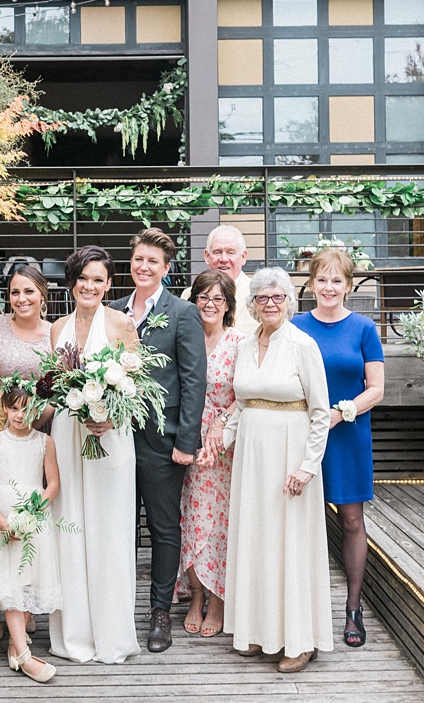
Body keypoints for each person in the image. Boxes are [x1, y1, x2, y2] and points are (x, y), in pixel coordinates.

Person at [218, 267, 334, 673]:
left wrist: (306, 467)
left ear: (289, 301)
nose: (270, 304)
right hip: (251, 461)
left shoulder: (303, 345)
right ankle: (258, 630)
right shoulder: (246, 346)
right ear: (252, 304)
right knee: (257, 543)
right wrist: (219, 443)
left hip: (289, 458)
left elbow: (321, 413)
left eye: (278, 297)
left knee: (291, 546)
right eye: (262, 298)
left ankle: (299, 641)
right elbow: (243, 404)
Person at [110, 228, 208, 652]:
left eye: (152, 261)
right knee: (117, 526)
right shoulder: (112, 311)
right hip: (113, 438)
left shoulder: (182, 313)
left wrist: (186, 440)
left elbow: (193, 380)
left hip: (162, 440)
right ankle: (115, 610)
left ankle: (159, 614)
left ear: (166, 269)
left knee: (164, 528)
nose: (143, 267)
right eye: (138, 259)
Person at [47, 245, 147, 664]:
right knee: (70, 529)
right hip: (69, 436)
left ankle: (111, 635)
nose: (89, 286)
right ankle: (74, 635)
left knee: (108, 532)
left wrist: (110, 415)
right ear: (72, 283)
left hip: (110, 439)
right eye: (82, 278)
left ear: (109, 284)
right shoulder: (57, 328)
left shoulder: (123, 323)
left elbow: (138, 386)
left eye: (98, 279)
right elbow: (54, 384)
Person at [290, 247, 386, 648]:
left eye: (336, 280)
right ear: (311, 284)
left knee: (350, 520)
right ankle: (298, 608)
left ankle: (352, 606)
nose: (328, 287)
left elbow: (377, 389)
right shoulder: (295, 325)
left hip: (347, 435)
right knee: (298, 520)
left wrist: (341, 413)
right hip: (300, 434)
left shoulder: (364, 328)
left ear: (348, 285)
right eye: (321, 279)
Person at [0, 386, 63, 683]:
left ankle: (16, 645)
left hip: (33, 516)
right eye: (14, 408)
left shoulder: (45, 442)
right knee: (10, 581)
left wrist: (34, 511)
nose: (20, 415)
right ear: (5, 408)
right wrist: (1, 521)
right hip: (3, 515)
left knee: (27, 578)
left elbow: (52, 483)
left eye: (27, 408)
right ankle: (24, 655)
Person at [181, 270, 242, 638]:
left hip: (224, 448)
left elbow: (248, 394)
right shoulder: (184, 337)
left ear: (228, 306)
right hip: (185, 440)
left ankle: (218, 598)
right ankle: (195, 594)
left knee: (220, 522)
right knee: (188, 518)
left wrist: (222, 425)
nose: (209, 304)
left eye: (218, 298)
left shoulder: (239, 342)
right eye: (203, 296)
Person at [0, 265, 56, 446]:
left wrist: (29, 427)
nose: (21, 299)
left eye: (29, 291)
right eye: (15, 292)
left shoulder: (55, 333)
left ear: (42, 294)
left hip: (41, 428)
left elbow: (60, 390)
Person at [186, 224, 253, 306]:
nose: (224, 259)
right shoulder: (188, 295)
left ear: (243, 257)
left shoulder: (257, 295)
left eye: (230, 253)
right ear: (207, 256)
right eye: (217, 252)